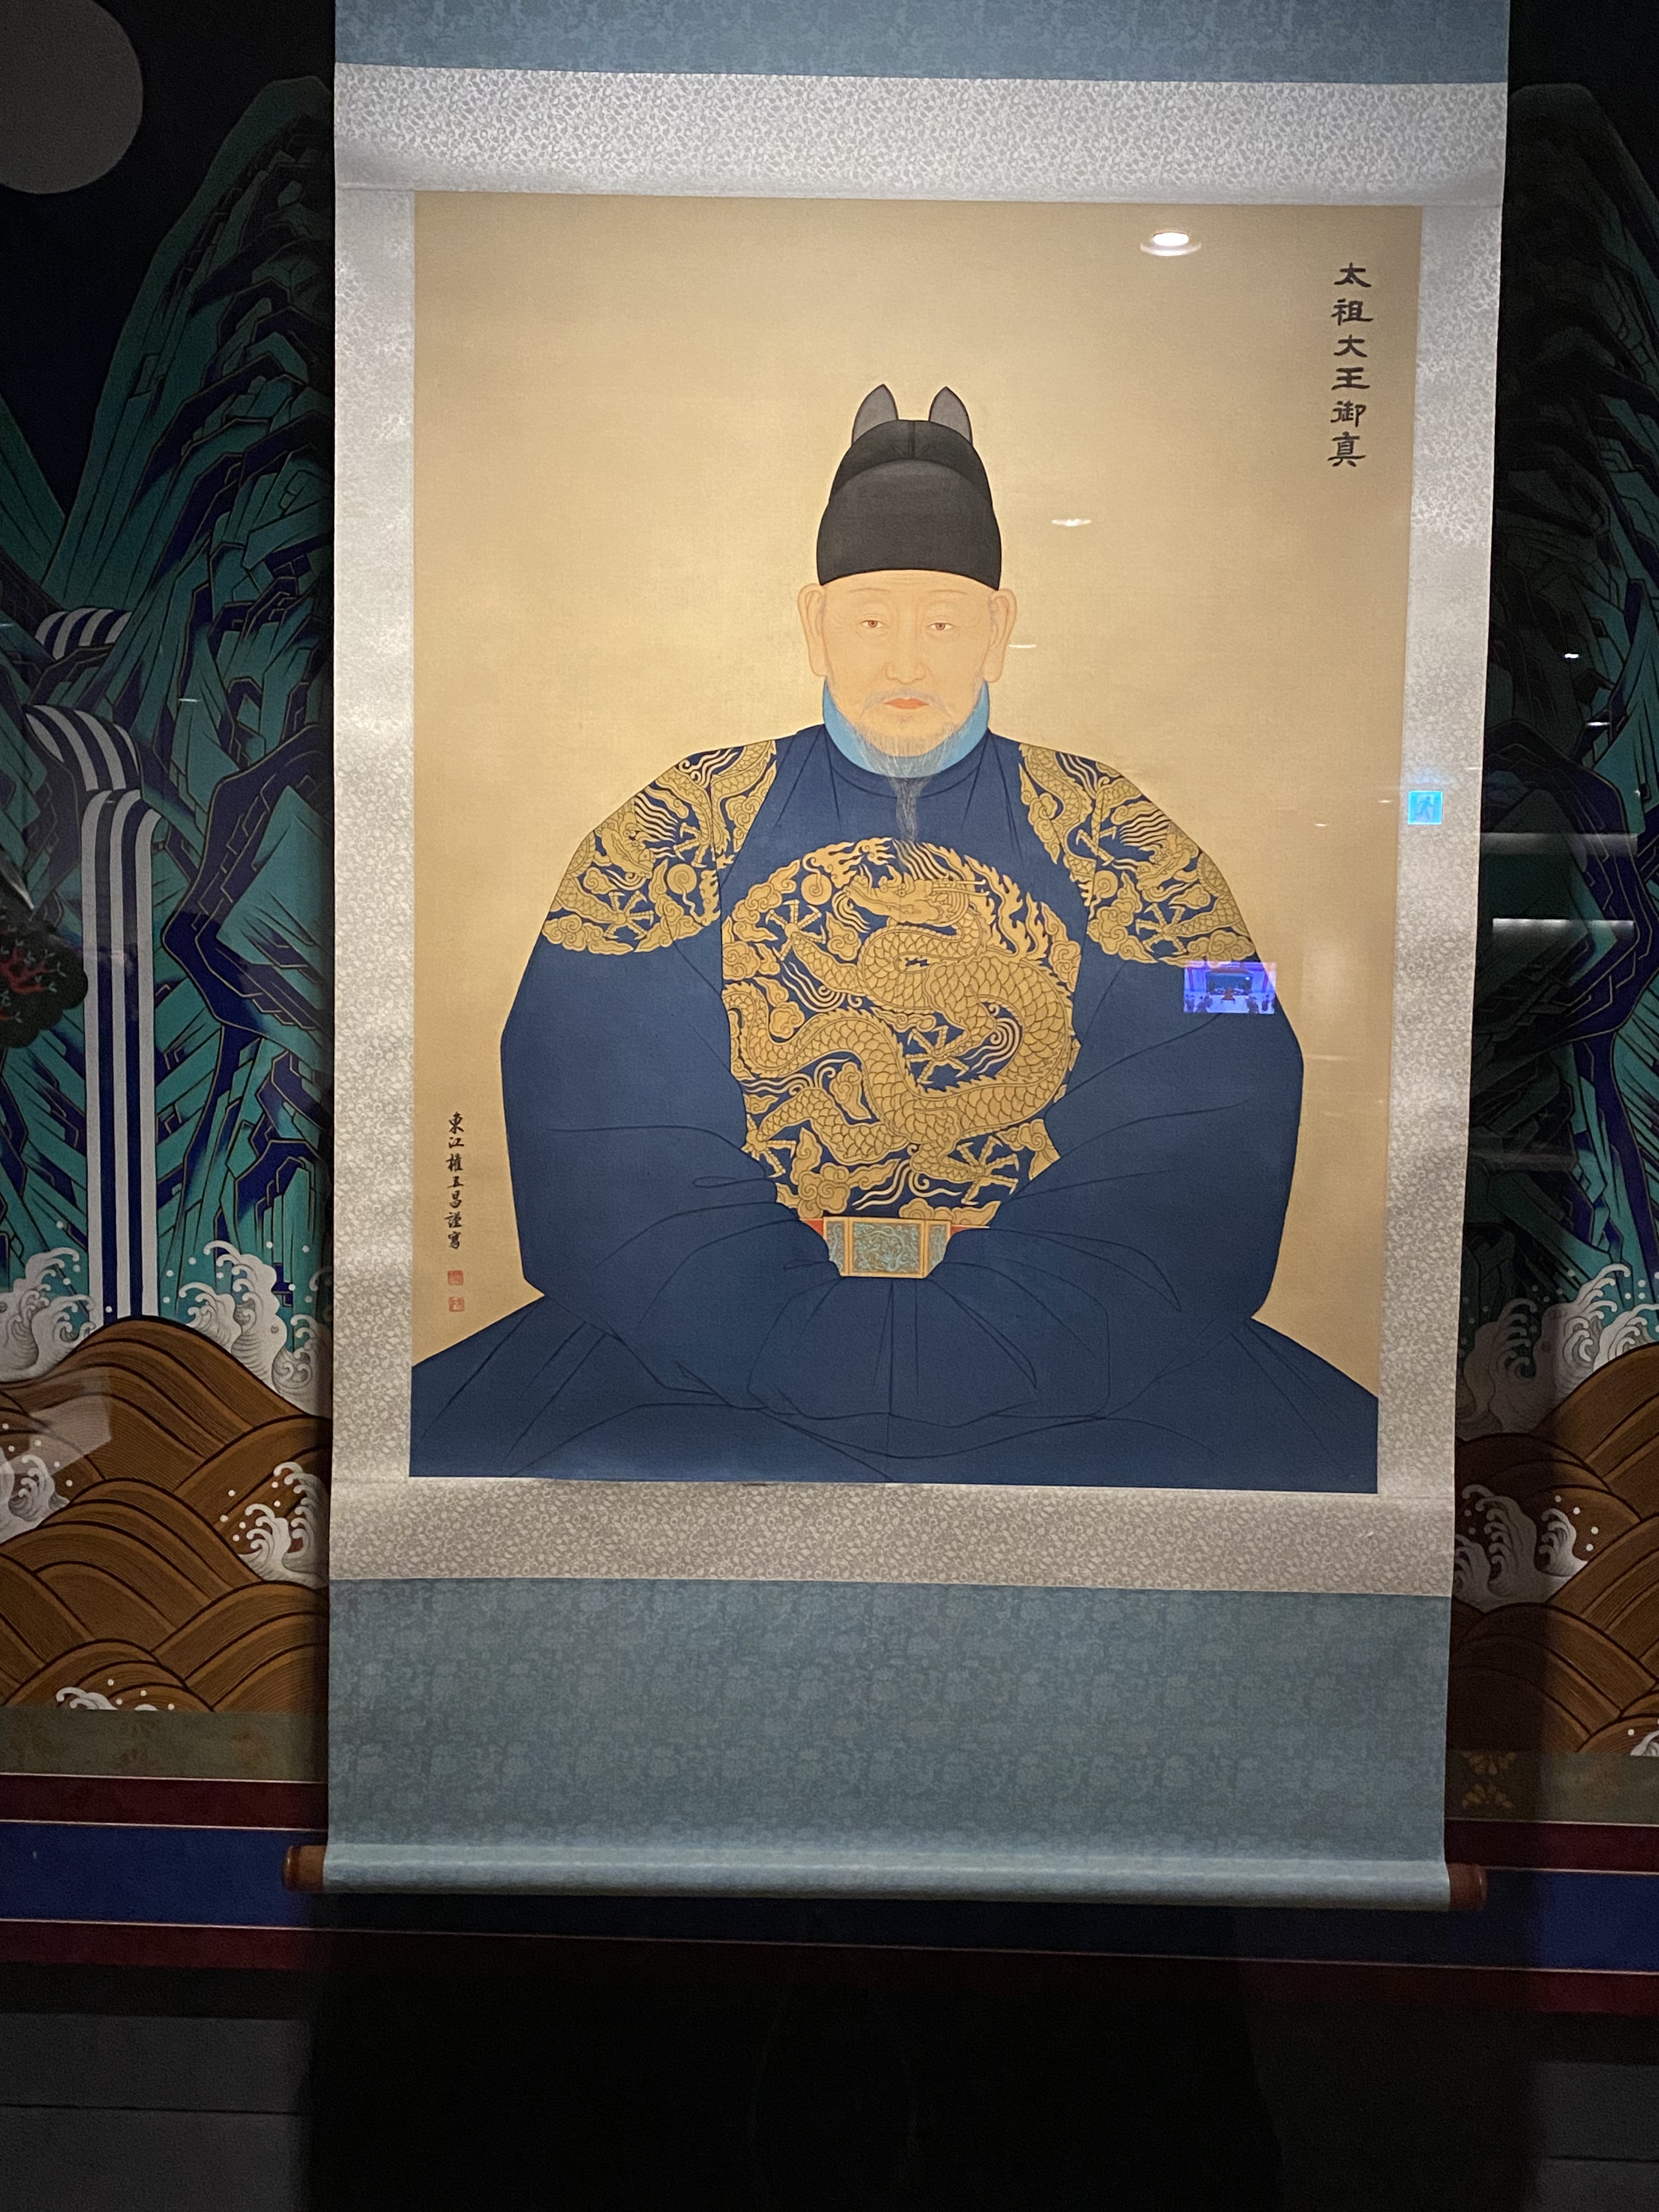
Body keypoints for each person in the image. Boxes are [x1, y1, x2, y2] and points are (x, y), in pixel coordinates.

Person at [412, 386, 1376, 1487]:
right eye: (871, 620)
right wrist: (803, 1335)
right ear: (814, 622)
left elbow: (1223, 1074)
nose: (907, 661)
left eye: (944, 621)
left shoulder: (1117, 832)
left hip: (1080, 1346)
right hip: (698, 1347)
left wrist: (992, 1336)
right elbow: (592, 1114)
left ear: (1000, 629)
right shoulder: (681, 823)